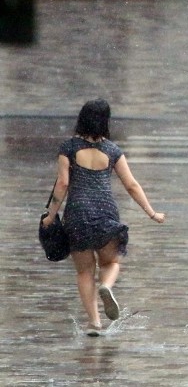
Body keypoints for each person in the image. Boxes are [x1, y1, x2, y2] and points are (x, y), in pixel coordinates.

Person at [41, 99, 166, 336]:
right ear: (105, 122)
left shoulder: (68, 148)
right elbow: (131, 185)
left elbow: (63, 183)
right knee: (111, 263)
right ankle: (107, 286)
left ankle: (94, 323)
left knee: (84, 271)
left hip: (77, 215)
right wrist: (151, 212)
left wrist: (50, 215)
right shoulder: (112, 151)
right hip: (105, 214)